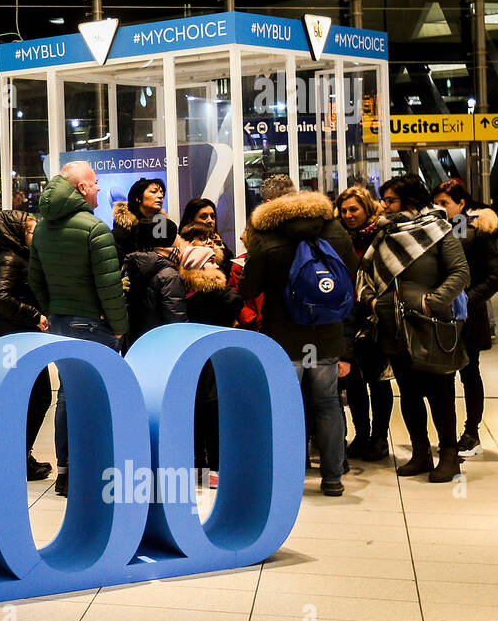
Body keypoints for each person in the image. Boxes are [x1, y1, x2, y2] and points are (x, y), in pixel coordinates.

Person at [238, 173, 357, 496]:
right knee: (329, 403)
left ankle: (289, 478)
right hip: (327, 334)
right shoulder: (334, 228)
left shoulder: (265, 234)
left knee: (286, 405)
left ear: (269, 202)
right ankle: (333, 477)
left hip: (286, 336)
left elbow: (250, 288)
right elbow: (350, 278)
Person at [357, 174, 470, 483]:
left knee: (439, 394)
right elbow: (366, 275)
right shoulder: (384, 234)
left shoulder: (438, 231)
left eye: (391, 200)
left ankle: (449, 456)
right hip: (393, 324)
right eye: (384, 199)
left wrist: (431, 302)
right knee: (408, 393)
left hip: (430, 325)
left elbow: (460, 273)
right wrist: (371, 302)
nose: (384, 205)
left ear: (410, 201)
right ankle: (421, 453)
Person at [29, 161, 128, 497]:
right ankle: (95, 472)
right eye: (95, 182)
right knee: (98, 398)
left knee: (67, 397)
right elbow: (110, 287)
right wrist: (118, 327)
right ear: (82, 189)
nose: (99, 187)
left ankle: (67, 472)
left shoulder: (42, 228)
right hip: (95, 325)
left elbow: (35, 281)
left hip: (60, 322)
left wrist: (53, 312)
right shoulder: (94, 229)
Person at [432, 178, 498, 458]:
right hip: (441, 318)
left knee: (469, 373)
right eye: (435, 203)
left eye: (444, 203)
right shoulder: (434, 232)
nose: (439, 208)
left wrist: (466, 300)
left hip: (469, 318)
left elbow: (494, 277)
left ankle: (471, 432)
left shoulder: (476, 234)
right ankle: (448, 436)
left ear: (461, 204)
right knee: (444, 377)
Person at [0, 209, 52, 482]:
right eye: (30, 230)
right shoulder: (11, 259)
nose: (35, 234)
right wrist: (34, 315)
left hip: (19, 338)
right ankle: (17, 458)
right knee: (37, 398)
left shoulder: (19, 256)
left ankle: (17, 456)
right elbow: (0, 298)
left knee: (31, 399)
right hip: (16, 339)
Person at [178, 222, 244, 485]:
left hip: (193, 361)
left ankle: (197, 466)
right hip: (217, 361)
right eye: (211, 263)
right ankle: (215, 467)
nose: (217, 266)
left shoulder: (185, 296)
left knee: (196, 413)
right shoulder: (220, 295)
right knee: (216, 412)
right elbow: (235, 302)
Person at [334, 186, 394, 462]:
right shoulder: (338, 239)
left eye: (353, 209)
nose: (348, 215)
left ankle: (380, 438)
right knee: (354, 382)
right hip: (348, 318)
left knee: (378, 380)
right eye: (344, 210)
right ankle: (362, 434)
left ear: (367, 209)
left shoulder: (383, 236)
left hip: (376, 317)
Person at [122, 214, 187, 346]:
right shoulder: (169, 275)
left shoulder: (131, 267)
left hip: (136, 344)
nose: (179, 239)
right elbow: (175, 320)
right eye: (175, 235)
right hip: (162, 345)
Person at [112, 177, 166, 263]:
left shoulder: (164, 226)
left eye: (161, 192)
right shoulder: (122, 231)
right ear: (138, 198)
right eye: (153, 192)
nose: (160, 196)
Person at [179, 197, 234, 271]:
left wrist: (223, 250)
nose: (210, 220)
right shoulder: (181, 248)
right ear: (191, 220)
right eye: (204, 217)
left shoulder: (220, 246)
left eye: (212, 216)